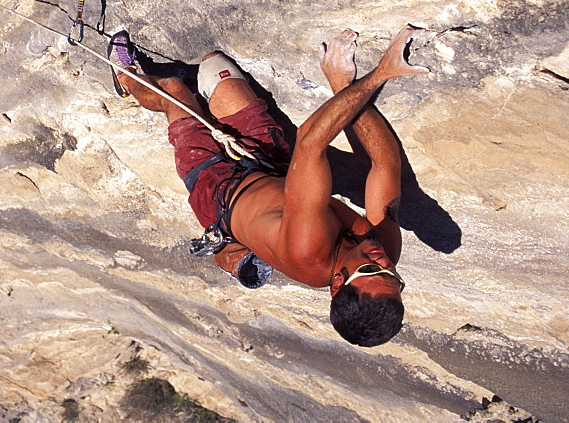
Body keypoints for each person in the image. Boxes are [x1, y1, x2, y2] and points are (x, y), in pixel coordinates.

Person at [108, 25, 428, 346]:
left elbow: (310, 142)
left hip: (218, 185)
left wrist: (377, 76)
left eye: (372, 271)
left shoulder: (309, 250)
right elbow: (386, 164)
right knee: (213, 65)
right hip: (272, 167)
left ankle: (125, 78)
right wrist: (343, 84)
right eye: (393, 277)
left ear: (338, 284)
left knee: (175, 90)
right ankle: (245, 254)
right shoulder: (382, 250)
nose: (384, 262)